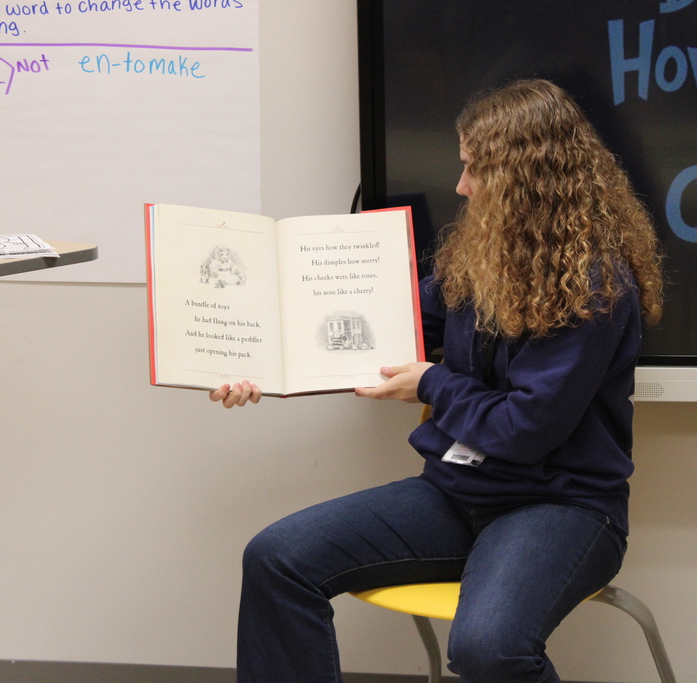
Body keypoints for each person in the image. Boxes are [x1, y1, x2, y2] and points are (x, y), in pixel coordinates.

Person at [211, 79, 664, 683]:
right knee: (276, 559)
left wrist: (432, 384)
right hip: (458, 491)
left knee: (487, 648)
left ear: (521, 179)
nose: (461, 187)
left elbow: (523, 428)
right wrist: (264, 362)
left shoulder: (594, 285)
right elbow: (380, 321)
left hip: (562, 507)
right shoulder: (484, 256)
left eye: (474, 170)